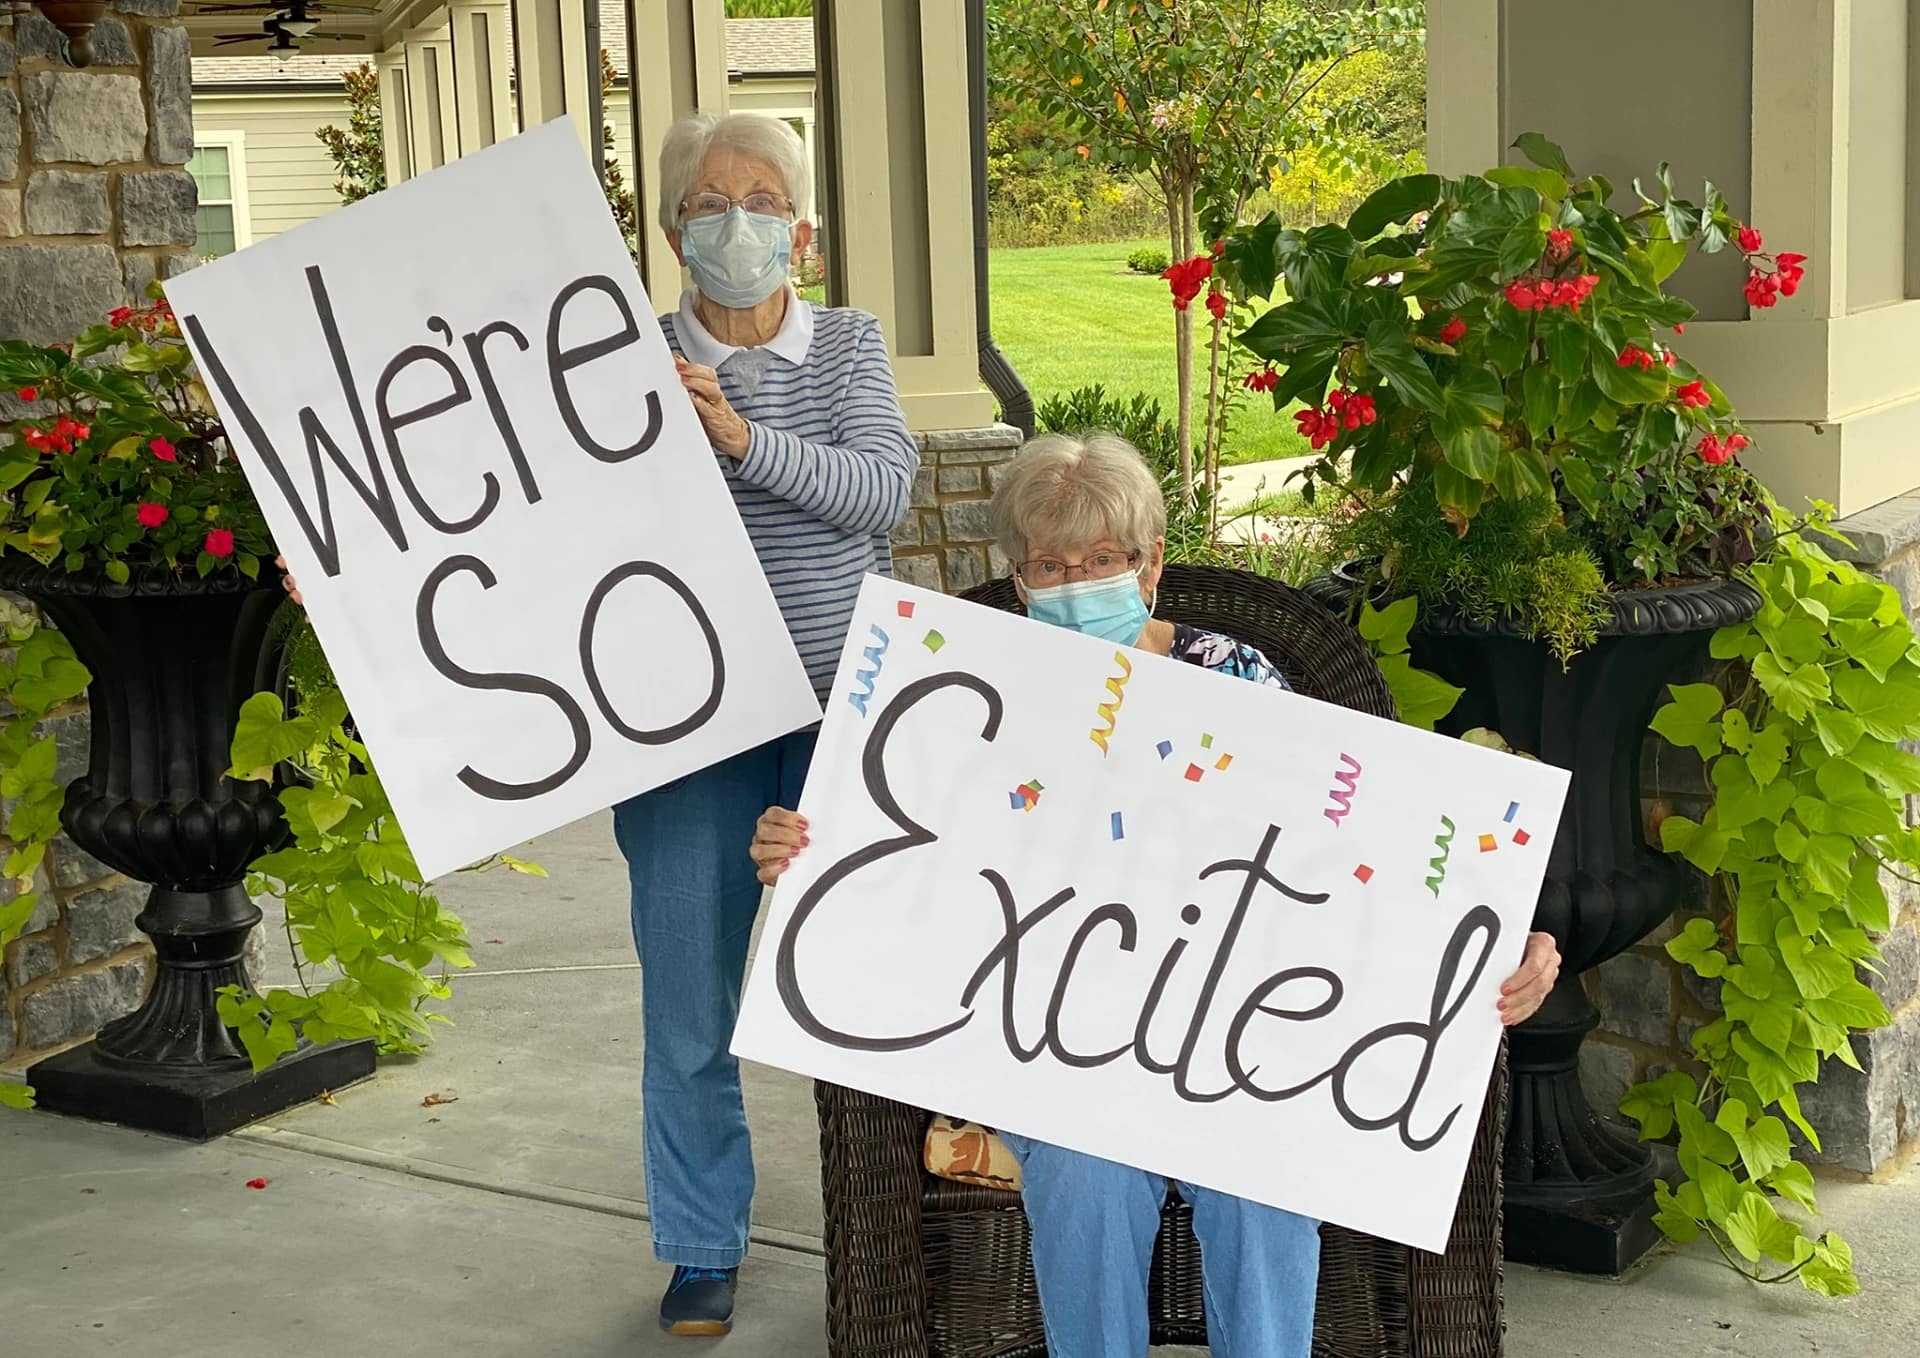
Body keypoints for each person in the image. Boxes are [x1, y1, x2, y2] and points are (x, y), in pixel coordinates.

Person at [285, 112, 917, 1339]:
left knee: (873, 985)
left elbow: (881, 490)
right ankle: (701, 1243)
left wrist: (736, 433)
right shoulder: (604, 356)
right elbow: (495, 509)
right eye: (709, 201)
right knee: (688, 992)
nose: (738, 221)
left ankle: (894, 1225)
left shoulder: (848, 346)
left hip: (845, 706)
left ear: (802, 226)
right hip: (684, 722)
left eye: (762, 198)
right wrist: (354, 554)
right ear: (673, 231)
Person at [748, 432, 1561, 1358]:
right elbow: (902, 860)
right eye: (1049, 564)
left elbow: (1361, 854)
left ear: (1151, 566)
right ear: (1018, 580)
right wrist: (807, 854)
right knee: (1088, 1175)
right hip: (1046, 1046)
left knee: (1263, 1184)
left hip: (1231, 1038)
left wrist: (1505, 936)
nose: (1074, 580)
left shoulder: (1242, 680)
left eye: (1102, 559)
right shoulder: (979, 700)